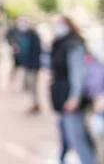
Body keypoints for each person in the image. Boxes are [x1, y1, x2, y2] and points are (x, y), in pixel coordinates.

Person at [49, 14, 96, 164]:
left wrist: (75, 97)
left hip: (72, 98)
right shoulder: (61, 43)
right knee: (70, 132)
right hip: (63, 96)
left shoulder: (74, 44)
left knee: (77, 137)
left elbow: (78, 73)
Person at [17, 17, 42, 114]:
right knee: (29, 86)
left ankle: (35, 104)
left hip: (33, 66)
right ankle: (34, 103)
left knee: (33, 86)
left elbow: (36, 51)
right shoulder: (24, 35)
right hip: (28, 65)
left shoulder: (33, 36)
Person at [5, 18, 22, 85]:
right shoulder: (12, 30)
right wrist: (12, 44)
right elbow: (8, 37)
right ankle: (12, 77)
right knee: (15, 64)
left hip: (22, 51)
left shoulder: (22, 30)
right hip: (14, 49)